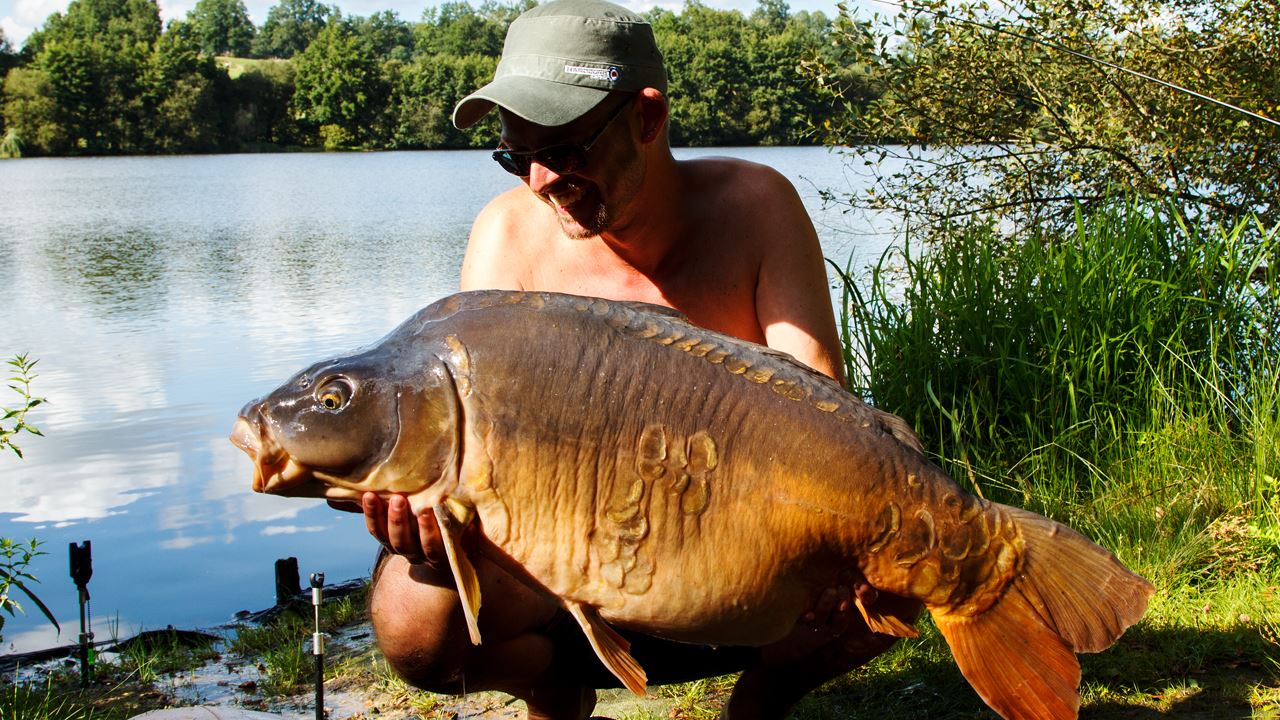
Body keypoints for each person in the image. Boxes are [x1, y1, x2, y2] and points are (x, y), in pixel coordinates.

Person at [347, 1, 921, 717]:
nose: (538, 181)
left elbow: (825, 409)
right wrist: (437, 530)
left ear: (648, 118)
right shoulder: (507, 235)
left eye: (562, 151)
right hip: (574, 570)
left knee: (899, 560)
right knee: (413, 619)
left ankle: (765, 697)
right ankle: (556, 691)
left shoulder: (757, 205)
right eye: (515, 155)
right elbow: (478, 455)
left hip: (740, 567)